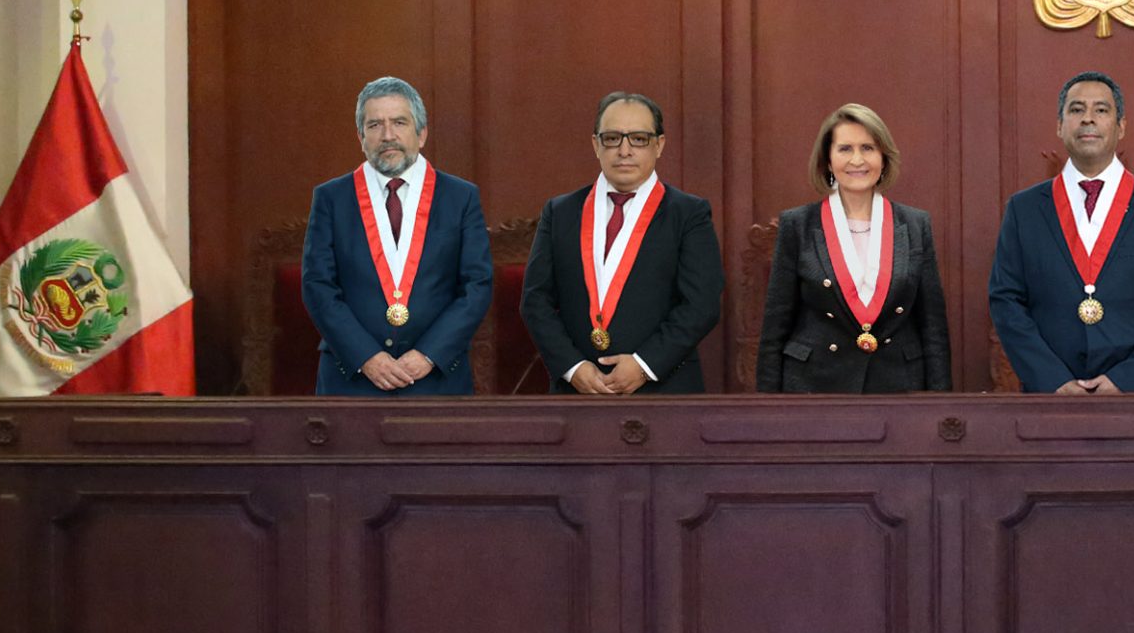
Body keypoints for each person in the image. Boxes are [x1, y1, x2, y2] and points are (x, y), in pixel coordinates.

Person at [987, 71, 1134, 393]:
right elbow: (1006, 301)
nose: (1088, 118)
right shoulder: (1023, 209)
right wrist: (1052, 379)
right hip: (1050, 396)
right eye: (1076, 109)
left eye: (1101, 109)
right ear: (1060, 126)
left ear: (1121, 126)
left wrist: (1127, 379)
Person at [519, 91, 724, 394]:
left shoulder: (688, 213)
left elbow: (701, 304)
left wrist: (644, 365)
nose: (624, 150)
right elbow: (535, 301)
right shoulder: (560, 212)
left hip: (664, 390)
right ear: (596, 145)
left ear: (659, 145)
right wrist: (572, 367)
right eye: (612, 138)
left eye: (639, 139)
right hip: (577, 392)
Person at [301, 77, 495, 396]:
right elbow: (318, 286)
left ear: (422, 133)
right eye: (375, 124)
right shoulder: (331, 199)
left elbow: (477, 286)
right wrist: (367, 357)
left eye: (399, 122)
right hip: (352, 380)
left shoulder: (461, 197)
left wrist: (428, 354)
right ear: (361, 136)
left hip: (436, 379)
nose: (387, 135)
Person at [756, 103, 953, 392]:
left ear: (883, 158)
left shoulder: (914, 225)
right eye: (845, 149)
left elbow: (932, 327)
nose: (857, 160)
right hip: (815, 385)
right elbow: (776, 327)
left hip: (897, 385)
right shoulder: (797, 225)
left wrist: (939, 403)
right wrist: (768, 407)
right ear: (827, 159)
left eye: (868, 148)